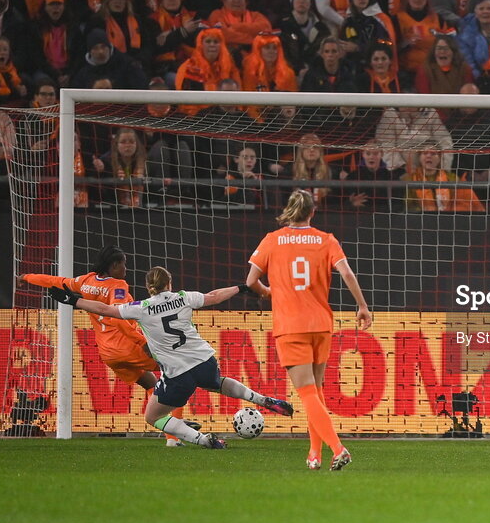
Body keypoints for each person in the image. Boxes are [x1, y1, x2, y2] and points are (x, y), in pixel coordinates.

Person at [48, 265, 295, 450]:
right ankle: (263, 399)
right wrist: (241, 288)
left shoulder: (141, 308)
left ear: (149, 287)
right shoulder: (183, 297)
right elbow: (214, 296)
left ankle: (206, 441)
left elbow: (105, 309)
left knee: (152, 417)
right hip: (204, 360)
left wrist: (74, 301)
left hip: (178, 374)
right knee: (217, 383)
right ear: (169, 283)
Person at [245, 189, 373, 471]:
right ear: (313, 212)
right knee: (315, 390)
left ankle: (338, 448)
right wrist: (362, 306)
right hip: (321, 324)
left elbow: (251, 280)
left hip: (291, 326)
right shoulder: (326, 239)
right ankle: (315, 453)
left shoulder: (272, 240)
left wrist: (269, 292)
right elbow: (347, 272)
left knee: (306, 393)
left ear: (289, 209)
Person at [19, 246, 195, 446]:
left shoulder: (85, 281)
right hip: (127, 346)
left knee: (150, 383)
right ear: (114, 265)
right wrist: (142, 342)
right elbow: (118, 318)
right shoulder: (118, 286)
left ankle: (171, 436)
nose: (125, 269)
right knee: (179, 371)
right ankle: (177, 432)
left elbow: (56, 281)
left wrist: (27, 277)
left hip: (108, 353)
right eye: (123, 264)